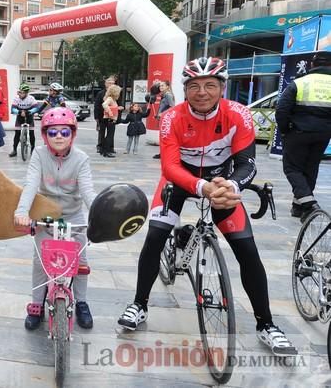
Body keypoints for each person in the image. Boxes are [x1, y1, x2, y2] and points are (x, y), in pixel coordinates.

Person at [117, 57, 297, 356]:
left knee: (247, 251)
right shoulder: (172, 118)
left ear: (222, 88)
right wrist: (202, 187)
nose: (202, 92)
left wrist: (233, 187)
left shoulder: (239, 114)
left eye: (210, 85)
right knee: (155, 236)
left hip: (223, 184)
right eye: (195, 86)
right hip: (179, 181)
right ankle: (139, 303)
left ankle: (266, 324)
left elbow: (247, 163)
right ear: (185, 90)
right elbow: (170, 166)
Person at [15, 107, 96, 330]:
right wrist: (22, 212)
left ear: (72, 134)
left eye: (64, 132)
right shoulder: (39, 155)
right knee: (40, 262)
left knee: (81, 263)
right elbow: (31, 184)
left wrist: (100, 214)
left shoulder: (81, 158)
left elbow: (88, 192)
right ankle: (36, 303)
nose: (58, 136)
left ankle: (81, 302)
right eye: (52, 132)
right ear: (44, 135)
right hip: (46, 214)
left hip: (73, 214)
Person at [276, 51, 331, 221]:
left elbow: (282, 110)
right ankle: (298, 208)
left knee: (292, 168)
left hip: (298, 132)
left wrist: (285, 130)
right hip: (323, 134)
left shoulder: (299, 83)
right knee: (310, 168)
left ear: (312, 65)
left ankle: (309, 204)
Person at [9, 83, 39, 157]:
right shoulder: (16, 98)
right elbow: (13, 109)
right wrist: (19, 112)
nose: (20, 94)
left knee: (32, 133)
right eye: (19, 92)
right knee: (17, 133)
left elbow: (36, 108)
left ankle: (32, 149)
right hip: (20, 116)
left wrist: (30, 111)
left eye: (22, 92)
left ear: (26, 93)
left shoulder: (31, 98)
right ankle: (14, 150)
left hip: (29, 116)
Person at [152, 80, 174, 159]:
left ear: (167, 86)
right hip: (162, 118)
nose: (161, 87)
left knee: (165, 137)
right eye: (160, 86)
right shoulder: (163, 95)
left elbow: (172, 107)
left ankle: (165, 154)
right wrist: (157, 115)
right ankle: (162, 153)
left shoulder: (168, 95)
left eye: (163, 86)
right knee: (162, 136)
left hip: (166, 119)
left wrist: (163, 113)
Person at [94, 76, 116, 154]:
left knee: (111, 133)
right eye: (109, 83)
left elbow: (118, 104)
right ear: (105, 84)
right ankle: (100, 147)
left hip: (112, 116)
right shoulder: (101, 93)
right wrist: (96, 117)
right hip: (102, 116)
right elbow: (96, 105)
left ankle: (110, 147)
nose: (111, 84)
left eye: (113, 83)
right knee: (101, 132)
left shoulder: (116, 93)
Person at [100, 84, 122, 157]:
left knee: (108, 136)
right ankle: (106, 152)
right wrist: (110, 112)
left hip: (109, 119)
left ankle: (104, 150)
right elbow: (104, 105)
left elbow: (111, 106)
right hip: (110, 119)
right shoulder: (110, 99)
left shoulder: (112, 99)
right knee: (109, 136)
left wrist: (117, 108)